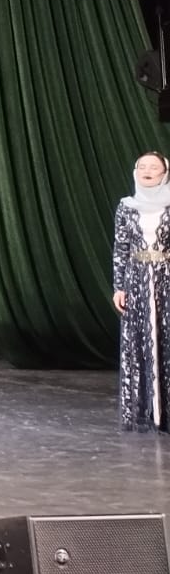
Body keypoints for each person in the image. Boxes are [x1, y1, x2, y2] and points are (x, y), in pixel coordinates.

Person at [114, 151, 170, 432]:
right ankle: (145, 412)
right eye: (142, 166)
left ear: (165, 173)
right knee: (140, 342)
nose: (148, 171)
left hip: (166, 279)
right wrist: (119, 287)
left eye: (154, 167)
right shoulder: (126, 206)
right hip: (136, 281)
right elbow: (121, 249)